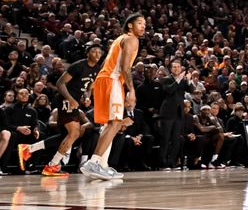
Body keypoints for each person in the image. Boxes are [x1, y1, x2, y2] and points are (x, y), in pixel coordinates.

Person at [18, 43, 102, 176]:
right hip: (65, 99)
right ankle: (52, 165)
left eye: (99, 52)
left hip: (74, 102)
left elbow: (88, 87)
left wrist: (87, 97)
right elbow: (60, 83)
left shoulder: (97, 69)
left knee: (65, 136)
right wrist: (70, 99)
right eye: (94, 51)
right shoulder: (78, 65)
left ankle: (28, 149)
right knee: (74, 133)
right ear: (87, 53)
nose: (97, 54)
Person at [80, 13, 146, 180]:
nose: (143, 26)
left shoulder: (119, 39)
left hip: (103, 79)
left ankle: (102, 165)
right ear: (130, 25)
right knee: (116, 122)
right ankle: (93, 162)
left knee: (110, 123)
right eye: (139, 23)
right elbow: (124, 67)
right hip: (113, 79)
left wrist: (92, 87)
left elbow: (104, 64)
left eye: (144, 24)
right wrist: (132, 90)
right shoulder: (132, 39)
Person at [158, 61, 193, 171]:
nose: (177, 69)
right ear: (171, 69)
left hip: (179, 113)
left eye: (178, 67)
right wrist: (179, 79)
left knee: (176, 139)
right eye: (174, 67)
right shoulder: (166, 79)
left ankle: (172, 162)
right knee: (165, 138)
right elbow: (169, 90)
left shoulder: (182, 80)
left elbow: (191, 90)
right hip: (167, 113)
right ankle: (163, 163)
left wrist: (189, 80)